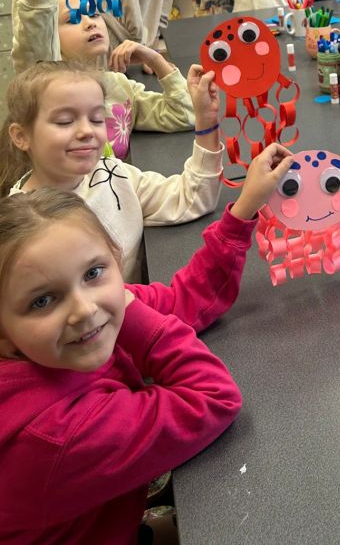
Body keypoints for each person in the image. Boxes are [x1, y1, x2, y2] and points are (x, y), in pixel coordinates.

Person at [0, 142, 295, 544]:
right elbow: (213, 398)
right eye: (42, 301)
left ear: (115, 257)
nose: (84, 310)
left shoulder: (68, 329)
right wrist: (130, 310)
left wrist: (245, 208)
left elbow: (184, 300)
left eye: (93, 272)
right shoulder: (58, 436)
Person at [0, 60, 224, 279]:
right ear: (21, 136)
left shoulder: (112, 173)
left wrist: (206, 120)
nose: (87, 131)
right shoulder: (19, 227)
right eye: (65, 121)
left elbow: (191, 197)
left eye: (97, 119)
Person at [11, 0, 193, 159]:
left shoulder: (119, 87)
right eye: (73, 19)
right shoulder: (46, 87)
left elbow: (185, 113)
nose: (90, 22)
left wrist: (155, 58)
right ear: (52, 37)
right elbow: (35, 32)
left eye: (94, 13)